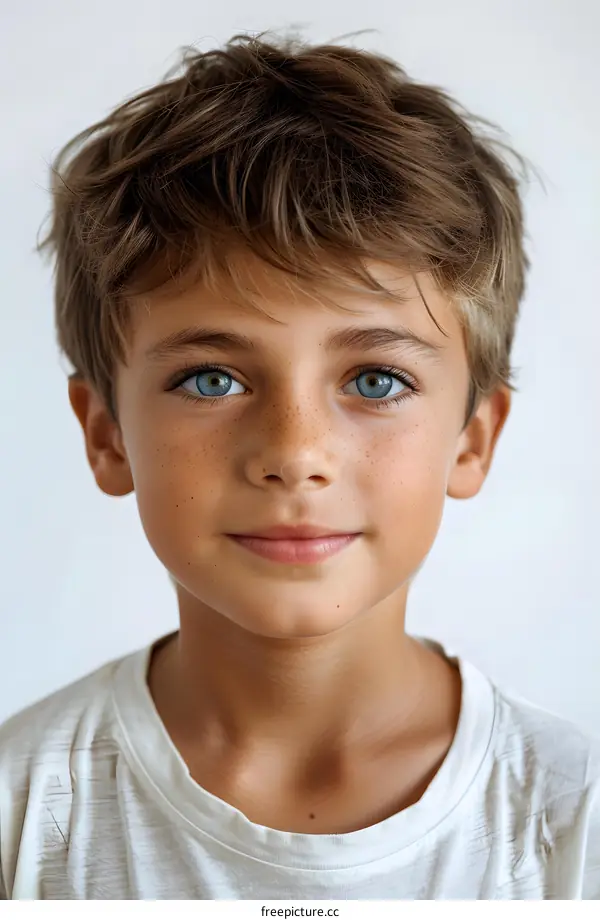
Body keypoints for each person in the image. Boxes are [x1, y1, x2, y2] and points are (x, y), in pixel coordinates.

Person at [1, 30, 598, 901]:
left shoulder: (568, 820)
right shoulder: (22, 816)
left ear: (472, 438)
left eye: (374, 379)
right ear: (107, 435)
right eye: (212, 379)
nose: (295, 454)